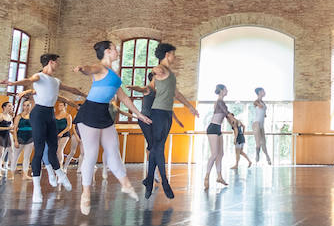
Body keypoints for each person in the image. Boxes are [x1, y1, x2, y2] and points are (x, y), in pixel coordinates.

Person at [66, 41, 148, 215]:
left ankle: (125, 184)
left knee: (113, 149)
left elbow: (124, 98)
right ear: (108, 51)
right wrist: (82, 69)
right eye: (115, 49)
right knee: (92, 153)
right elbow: (90, 69)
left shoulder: (114, 74)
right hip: (90, 113)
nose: (117, 51)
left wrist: (138, 115)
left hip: (104, 113)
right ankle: (86, 194)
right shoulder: (100, 68)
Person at [2, 53, 73, 200]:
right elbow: (28, 80)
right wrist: (12, 84)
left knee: (53, 149)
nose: (58, 64)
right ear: (51, 62)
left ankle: (59, 174)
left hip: (50, 115)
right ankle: (37, 190)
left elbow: (71, 89)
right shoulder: (39, 76)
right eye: (57, 62)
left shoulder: (56, 81)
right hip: (39, 114)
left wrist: (86, 96)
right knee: (39, 150)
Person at [135, 42, 198, 200]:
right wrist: (156, 71)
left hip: (167, 114)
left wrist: (190, 107)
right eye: (173, 54)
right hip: (158, 113)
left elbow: (176, 93)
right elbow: (154, 75)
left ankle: (150, 180)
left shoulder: (169, 73)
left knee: (156, 150)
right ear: (167, 54)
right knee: (158, 149)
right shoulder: (160, 70)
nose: (174, 57)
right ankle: (164, 182)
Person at [205, 84, 231, 190]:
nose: (227, 90)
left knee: (221, 154)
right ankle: (206, 176)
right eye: (225, 89)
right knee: (215, 154)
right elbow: (226, 113)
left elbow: (227, 115)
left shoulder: (221, 102)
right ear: (221, 90)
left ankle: (219, 176)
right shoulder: (219, 101)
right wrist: (234, 119)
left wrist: (233, 120)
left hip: (218, 128)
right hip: (213, 128)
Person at [251, 87, 272, 165]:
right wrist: (261, 108)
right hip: (256, 123)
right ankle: (257, 156)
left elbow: (263, 113)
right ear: (259, 92)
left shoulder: (263, 102)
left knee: (264, 143)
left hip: (261, 124)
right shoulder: (256, 101)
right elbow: (258, 106)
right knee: (258, 143)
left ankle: (267, 157)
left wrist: (264, 113)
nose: (265, 92)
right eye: (263, 91)